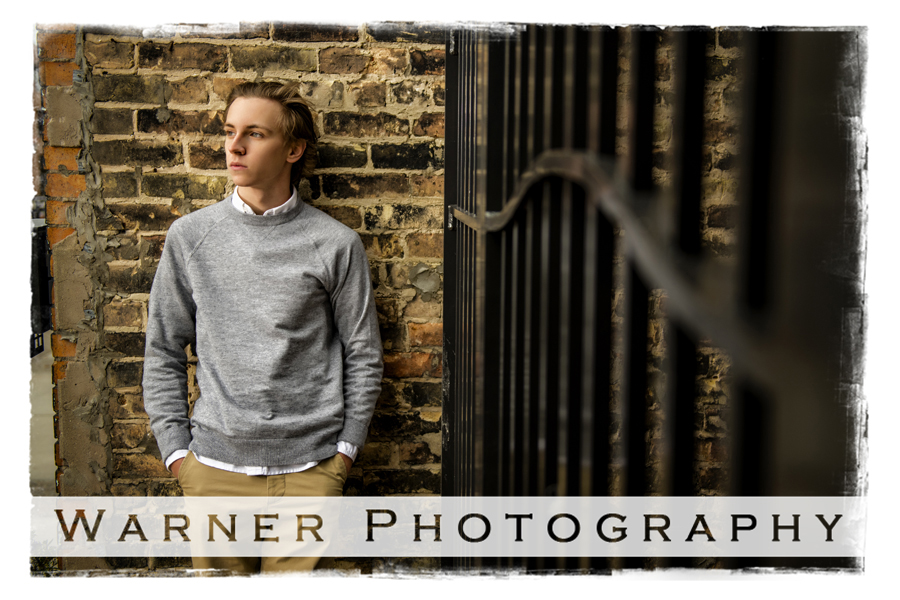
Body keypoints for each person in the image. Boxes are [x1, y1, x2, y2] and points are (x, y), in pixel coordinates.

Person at [142, 81, 383, 574]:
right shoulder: (191, 236)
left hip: (311, 470)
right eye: (231, 131)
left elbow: (363, 353)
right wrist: (176, 454)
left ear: (293, 149)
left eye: (254, 133)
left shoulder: (335, 244)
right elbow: (163, 348)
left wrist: (344, 453)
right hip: (212, 468)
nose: (234, 145)